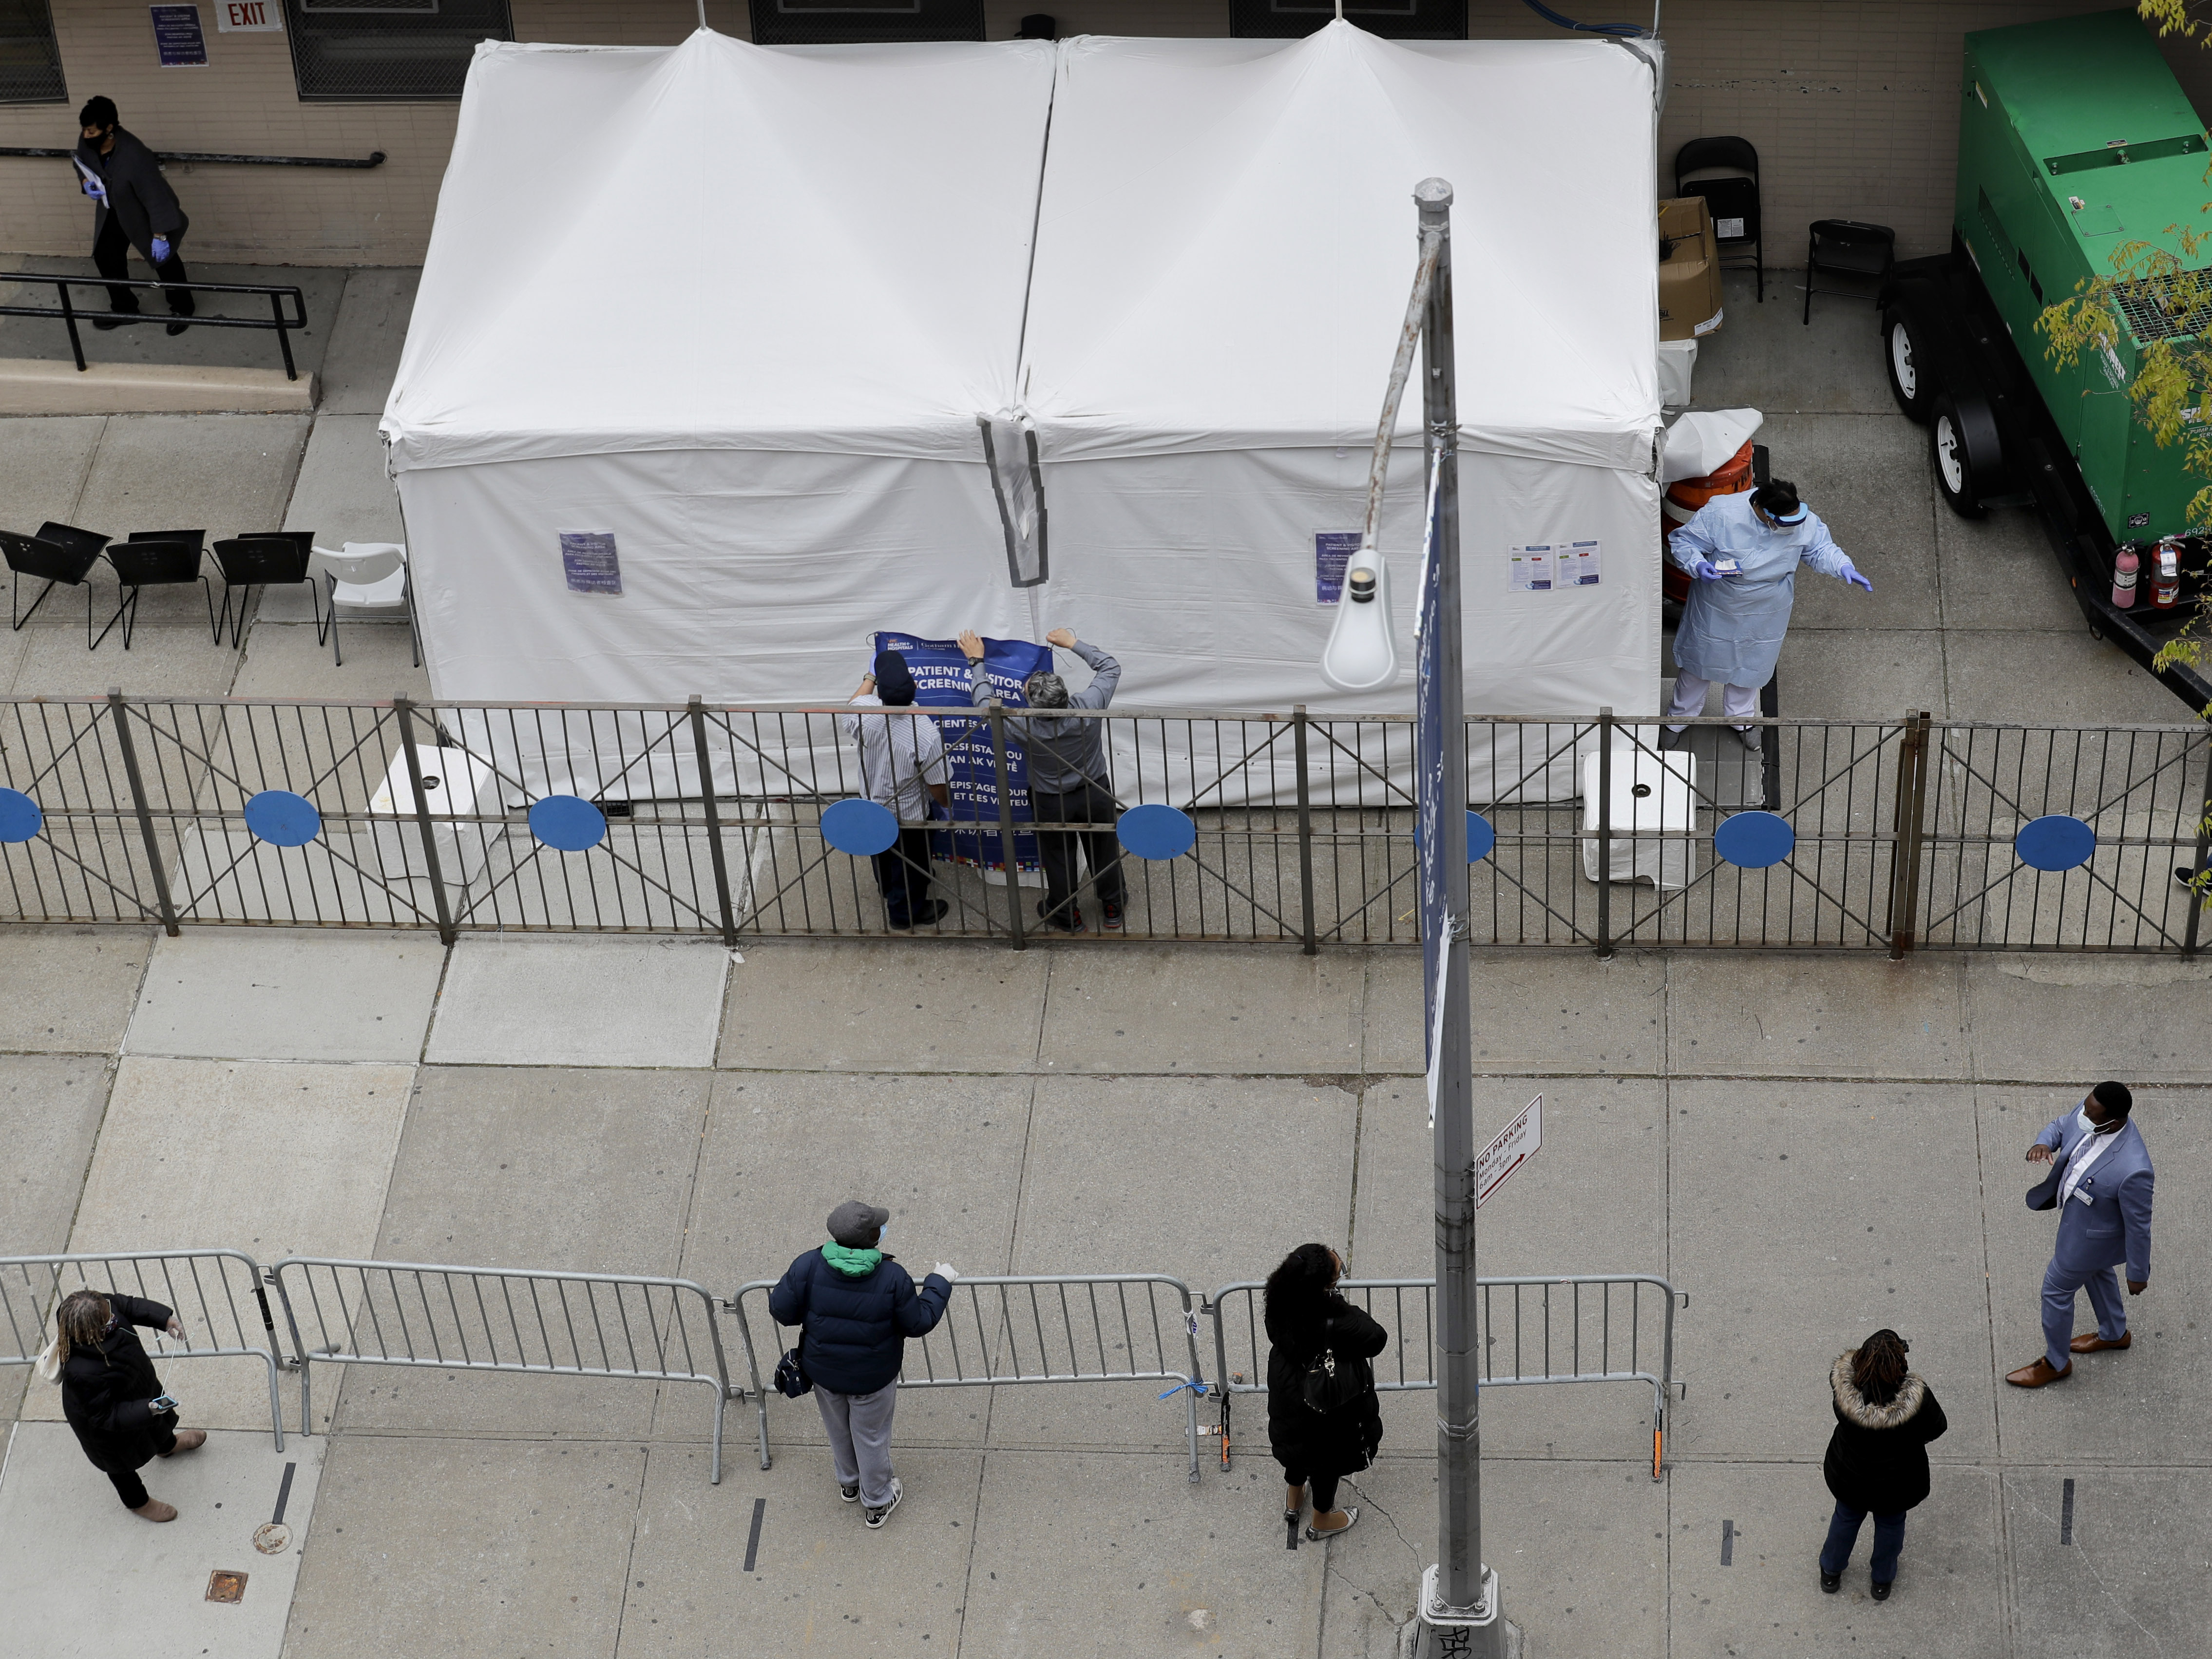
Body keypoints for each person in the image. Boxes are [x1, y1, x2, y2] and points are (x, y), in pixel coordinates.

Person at [767, 1200, 957, 1528]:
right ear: (873, 1238)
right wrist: (940, 1282)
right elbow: (918, 1322)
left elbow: (782, 1310)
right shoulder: (893, 1277)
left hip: (823, 1371)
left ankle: (850, 1483)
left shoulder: (809, 1265)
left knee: (839, 1428)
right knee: (870, 1435)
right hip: (873, 1377)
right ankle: (878, 1500)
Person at [1661, 479, 1870, 752]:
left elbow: (1820, 549)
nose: (1787, 528)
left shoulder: (1801, 520)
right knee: (1700, 661)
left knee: (1753, 665)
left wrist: (1843, 566)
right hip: (1719, 602)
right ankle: (1678, 718)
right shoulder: (1722, 513)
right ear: (1759, 508)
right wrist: (1698, 564)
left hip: (1768, 608)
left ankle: (1741, 718)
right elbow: (1684, 542)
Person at [956, 626, 1124, 932]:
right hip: (1096, 791)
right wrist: (1073, 643)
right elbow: (1110, 666)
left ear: (1033, 703)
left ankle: (1066, 915)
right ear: (1066, 694)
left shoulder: (1021, 726)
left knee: (1059, 857)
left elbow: (984, 704)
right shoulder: (1089, 706)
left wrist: (976, 662)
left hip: (1051, 800)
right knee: (1104, 847)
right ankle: (1113, 905)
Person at [2006, 1080, 2154, 1388]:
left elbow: (2140, 1226)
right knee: (2097, 1273)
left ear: (2113, 1122)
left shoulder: (2134, 1169)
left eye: (2091, 1113)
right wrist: (2043, 1142)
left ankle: (2056, 1363)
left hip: (2085, 1241)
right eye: (2085, 1107)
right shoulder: (2092, 1110)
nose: (2083, 1115)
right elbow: (2061, 1125)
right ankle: (2115, 1334)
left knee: (2056, 1293)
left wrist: (2138, 1273)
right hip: (2086, 1230)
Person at [41, 1288, 207, 1521]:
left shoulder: (98, 1307)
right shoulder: (82, 1373)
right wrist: (146, 1409)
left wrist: (164, 1319)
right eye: (109, 1316)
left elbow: (126, 1305)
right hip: (102, 1425)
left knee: (157, 1424)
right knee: (120, 1467)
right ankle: (139, 1503)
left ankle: (168, 1447)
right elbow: (106, 1416)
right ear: (94, 1329)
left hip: (136, 1386)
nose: (114, 1314)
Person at [1264, 1241, 1385, 1543]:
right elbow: (1376, 1339)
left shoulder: (1279, 1302)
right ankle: (1322, 1518)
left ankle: (1294, 1499)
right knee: (1325, 1460)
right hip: (1324, 1399)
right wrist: (1337, 1304)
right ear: (1324, 1286)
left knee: (1295, 1445)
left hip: (1287, 1387)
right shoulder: (1336, 1320)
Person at [1817, 1328, 1946, 1600]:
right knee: (1890, 1527)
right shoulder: (1917, 1400)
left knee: (1845, 1519)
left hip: (1850, 1477)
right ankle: (1881, 1582)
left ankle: (1831, 1572)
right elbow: (1938, 1427)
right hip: (1896, 1485)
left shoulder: (1843, 1391)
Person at [838, 648, 950, 930]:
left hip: (871, 806)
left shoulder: (865, 713)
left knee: (881, 852)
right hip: (909, 816)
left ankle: (888, 890)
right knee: (911, 864)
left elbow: (854, 703)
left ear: (879, 694)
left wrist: (871, 676)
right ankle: (905, 914)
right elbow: (937, 785)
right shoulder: (925, 732)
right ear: (914, 686)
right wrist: (946, 806)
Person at [72, 96, 194, 335]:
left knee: (164, 260)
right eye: (84, 130)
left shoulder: (135, 155)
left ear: (109, 129)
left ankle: (183, 307)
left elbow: (156, 198)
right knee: (107, 257)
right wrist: (86, 181)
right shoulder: (88, 142)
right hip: (114, 209)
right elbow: (81, 162)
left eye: (91, 130)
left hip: (145, 213)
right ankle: (125, 309)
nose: (86, 135)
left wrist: (160, 236)